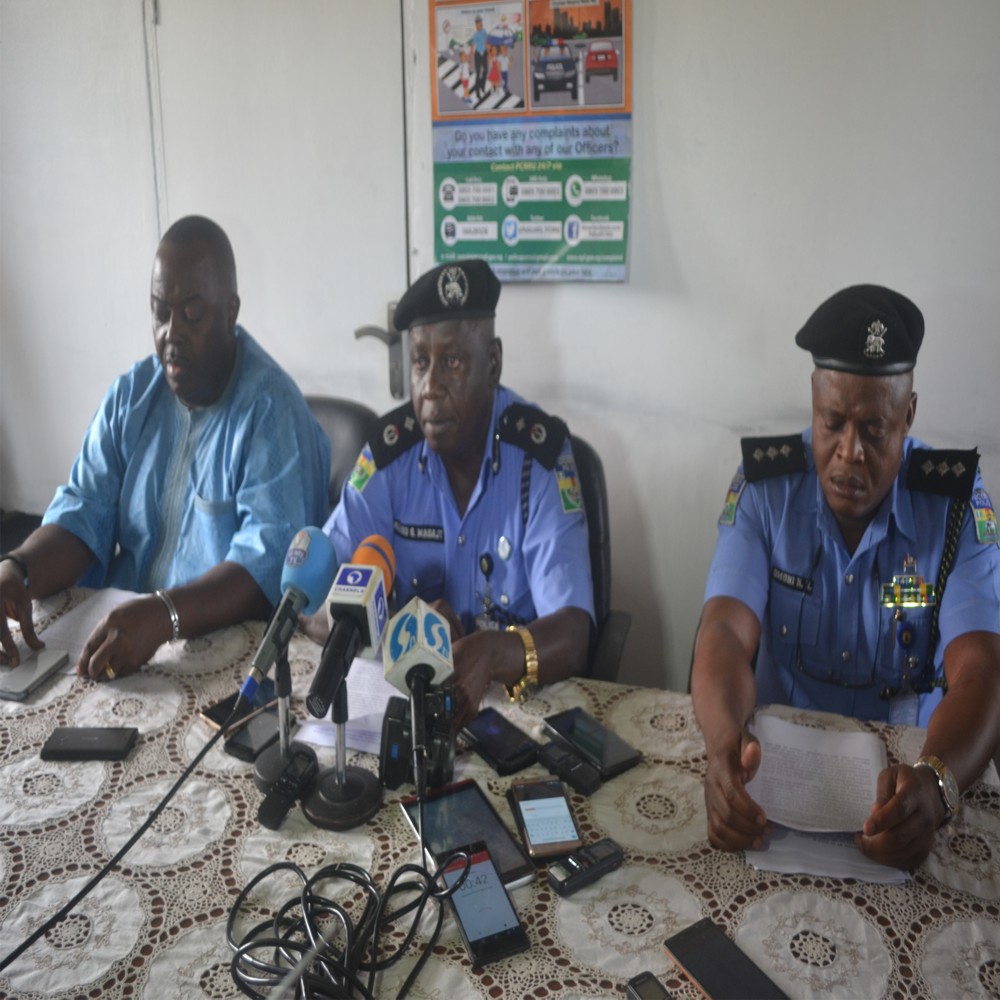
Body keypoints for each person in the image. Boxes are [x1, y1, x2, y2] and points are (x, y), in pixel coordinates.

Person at [691, 284, 1000, 872]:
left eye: (875, 430)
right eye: (832, 423)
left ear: (908, 416)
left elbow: (983, 669)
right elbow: (724, 632)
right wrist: (723, 748)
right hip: (777, 781)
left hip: (907, 776)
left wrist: (936, 790)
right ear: (813, 403)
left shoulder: (955, 506)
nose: (849, 452)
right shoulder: (766, 488)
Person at [0, 216, 330, 681]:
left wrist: (163, 615)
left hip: (222, 656)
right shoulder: (131, 396)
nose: (171, 334)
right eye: (160, 312)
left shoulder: (271, 412)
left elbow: (266, 570)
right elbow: (81, 515)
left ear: (231, 311)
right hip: (123, 633)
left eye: (192, 314)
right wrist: (18, 568)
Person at [320, 258, 594, 727]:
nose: (429, 388)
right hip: (404, 706)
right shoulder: (389, 457)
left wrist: (492, 651)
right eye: (420, 362)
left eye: (451, 362)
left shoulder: (540, 459)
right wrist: (406, 631)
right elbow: (321, 594)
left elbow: (574, 632)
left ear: (492, 364)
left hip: (512, 716)